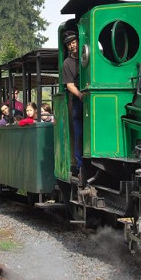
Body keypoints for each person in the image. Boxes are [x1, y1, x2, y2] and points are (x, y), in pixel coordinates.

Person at [61, 30, 83, 176]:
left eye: (74, 42)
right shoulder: (67, 63)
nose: (72, 45)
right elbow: (69, 85)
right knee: (79, 133)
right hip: (78, 101)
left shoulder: (89, 57)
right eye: (69, 43)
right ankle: (80, 165)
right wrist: (81, 95)